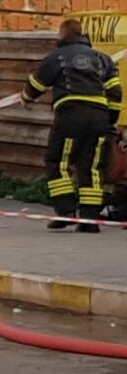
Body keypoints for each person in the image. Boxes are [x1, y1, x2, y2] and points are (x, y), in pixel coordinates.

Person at [24, 18, 117, 232]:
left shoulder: (57, 57)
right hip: (99, 116)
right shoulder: (103, 58)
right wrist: (110, 119)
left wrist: (25, 98)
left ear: (62, 34)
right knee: (92, 166)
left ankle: (66, 211)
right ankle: (90, 220)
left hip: (71, 113)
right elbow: (115, 90)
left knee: (58, 161)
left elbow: (37, 84)